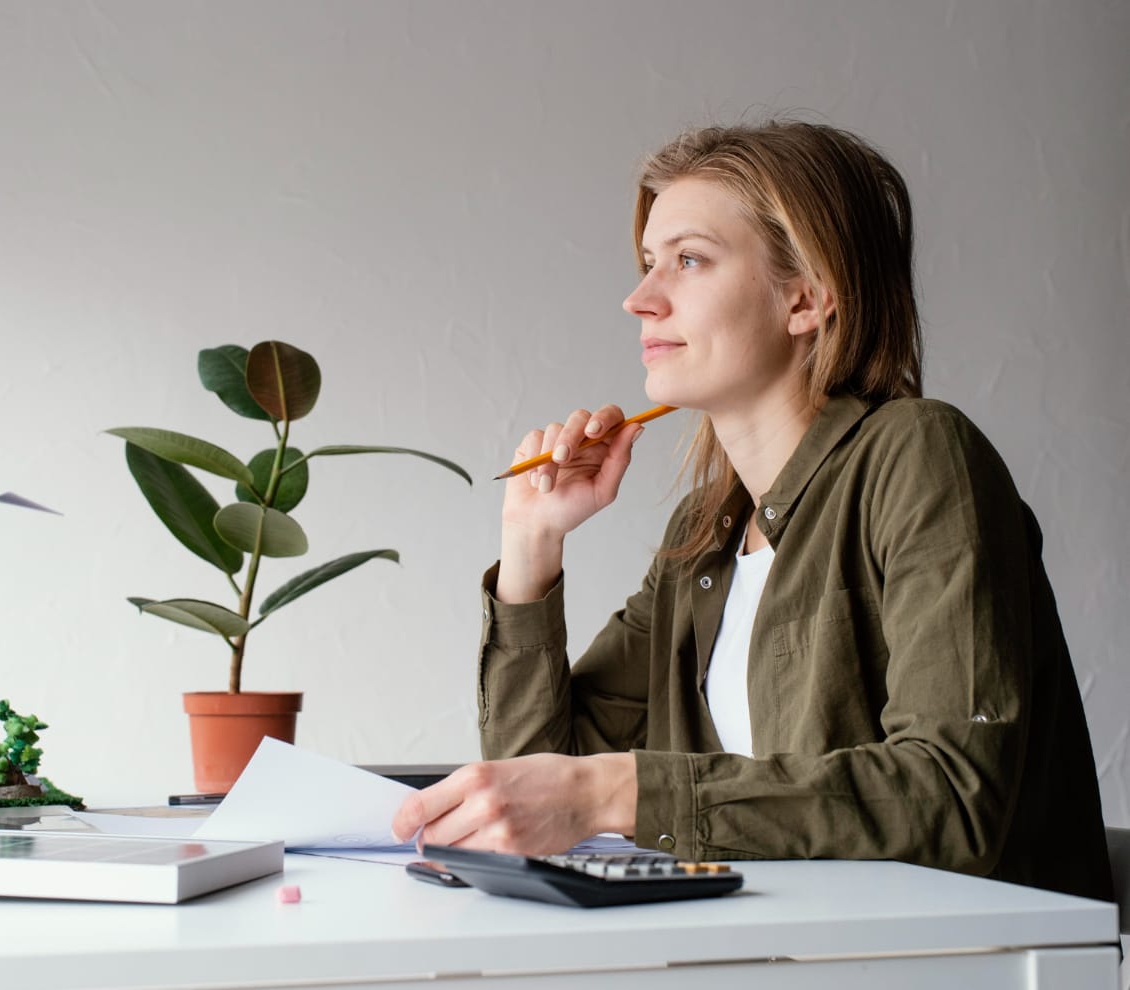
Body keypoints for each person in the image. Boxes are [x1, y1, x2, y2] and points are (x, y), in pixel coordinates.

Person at [391, 119, 1112, 902]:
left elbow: (950, 795)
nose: (640, 299)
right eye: (646, 264)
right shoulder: (701, 539)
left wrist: (617, 793)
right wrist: (530, 546)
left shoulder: (920, 455)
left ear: (805, 298)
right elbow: (539, 784)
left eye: (689, 260)